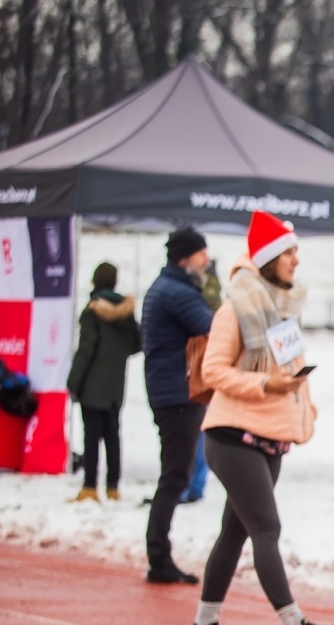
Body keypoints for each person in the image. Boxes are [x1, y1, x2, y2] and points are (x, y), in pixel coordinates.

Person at [188, 211, 334, 625]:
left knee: (234, 533)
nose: (297, 260)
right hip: (232, 436)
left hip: (270, 435)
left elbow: (291, 373)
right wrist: (265, 385)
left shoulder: (281, 310)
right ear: (270, 258)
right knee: (266, 527)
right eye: (289, 252)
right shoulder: (235, 309)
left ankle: (204, 624)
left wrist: (303, 411)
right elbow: (213, 371)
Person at [140, 226, 215, 583]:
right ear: (186, 257)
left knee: (174, 475)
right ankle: (159, 558)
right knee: (174, 476)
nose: (207, 261)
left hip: (169, 391)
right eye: (202, 254)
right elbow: (215, 328)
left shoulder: (166, 287)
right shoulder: (178, 292)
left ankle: (159, 556)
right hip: (177, 394)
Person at [66, 262, 141, 503]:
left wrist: (73, 382)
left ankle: (90, 486)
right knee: (112, 436)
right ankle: (113, 487)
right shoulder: (126, 314)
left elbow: (86, 350)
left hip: (92, 385)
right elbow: (136, 344)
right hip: (115, 386)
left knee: (91, 436)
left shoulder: (91, 312)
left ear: (95, 281)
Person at [181, 261, 226, 506]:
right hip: (203, 368)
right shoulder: (209, 293)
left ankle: (193, 485)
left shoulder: (199, 295)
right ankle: (195, 484)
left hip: (200, 368)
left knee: (196, 430)